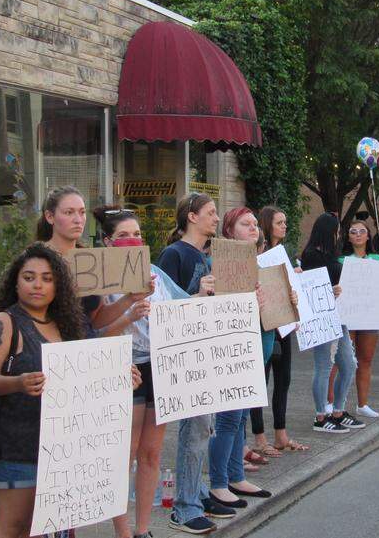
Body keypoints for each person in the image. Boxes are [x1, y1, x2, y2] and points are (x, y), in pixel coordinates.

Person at [0, 244, 141, 538]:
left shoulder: (69, 324)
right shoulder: (3, 322)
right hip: (15, 445)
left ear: (59, 285)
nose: (37, 285)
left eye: (47, 278)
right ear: (15, 282)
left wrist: (118, 375)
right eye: (29, 277)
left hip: (62, 450)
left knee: (47, 528)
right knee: (15, 525)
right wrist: (18, 382)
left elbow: (89, 371)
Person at [94, 207, 187, 538]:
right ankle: (123, 532)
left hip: (158, 365)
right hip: (124, 365)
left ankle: (144, 528)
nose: (131, 240)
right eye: (122, 235)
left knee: (151, 452)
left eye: (137, 235)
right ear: (107, 242)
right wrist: (129, 312)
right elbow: (94, 327)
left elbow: (181, 308)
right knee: (126, 453)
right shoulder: (101, 277)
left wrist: (204, 295)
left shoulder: (156, 275)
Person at [156, 193, 235, 534]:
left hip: (207, 353)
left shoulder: (206, 255)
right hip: (185, 357)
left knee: (205, 426)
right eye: (211, 212)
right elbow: (161, 307)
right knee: (196, 427)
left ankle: (198, 493)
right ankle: (184, 507)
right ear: (191, 216)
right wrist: (198, 295)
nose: (216, 218)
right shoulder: (173, 255)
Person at [208, 208, 275, 510]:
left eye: (255, 225)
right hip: (228, 348)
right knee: (228, 418)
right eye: (245, 224)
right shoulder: (220, 261)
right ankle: (218, 482)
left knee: (241, 415)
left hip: (251, 345)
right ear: (229, 230)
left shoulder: (257, 264)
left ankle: (235, 475)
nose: (253, 229)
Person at [35, 185, 151, 337]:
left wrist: (131, 298)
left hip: (87, 350)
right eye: (69, 212)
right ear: (50, 217)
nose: (78, 220)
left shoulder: (90, 259)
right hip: (49, 350)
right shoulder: (36, 258)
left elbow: (95, 320)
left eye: (82, 212)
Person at [250, 206, 308, 455]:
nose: (284, 226)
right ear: (267, 225)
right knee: (260, 382)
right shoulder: (256, 254)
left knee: (283, 379)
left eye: (285, 222)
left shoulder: (287, 254)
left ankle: (281, 434)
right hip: (263, 324)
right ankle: (260, 437)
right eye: (279, 222)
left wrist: (295, 282)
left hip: (283, 324)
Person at [299, 213, 361, 433]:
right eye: (337, 230)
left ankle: (338, 410)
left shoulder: (331, 254)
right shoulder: (312, 255)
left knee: (349, 364)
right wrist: (330, 290)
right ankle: (320, 416)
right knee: (324, 365)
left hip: (339, 316)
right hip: (322, 317)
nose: (339, 235)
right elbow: (311, 286)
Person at [332, 219, 379, 418]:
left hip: (370, 316)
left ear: (368, 235)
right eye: (353, 232)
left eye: (362, 231)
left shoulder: (378, 260)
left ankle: (363, 403)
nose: (358, 235)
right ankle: (335, 403)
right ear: (348, 236)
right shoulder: (341, 261)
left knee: (365, 360)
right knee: (343, 360)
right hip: (348, 315)